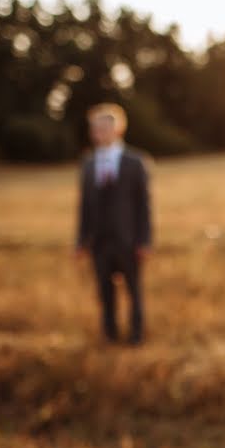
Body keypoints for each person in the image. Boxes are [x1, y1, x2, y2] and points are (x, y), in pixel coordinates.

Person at [74, 102, 152, 345]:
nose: (99, 133)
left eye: (104, 128)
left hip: (128, 239)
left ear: (118, 130)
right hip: (99, 240)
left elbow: (144, 205)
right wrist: (81, 240)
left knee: (133, 291)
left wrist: (145, 240)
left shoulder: (135, 162)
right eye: (95, 128)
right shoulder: (87, 164)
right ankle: (109, 336)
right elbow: (84, 205)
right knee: (104, 293)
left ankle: (136, 337)